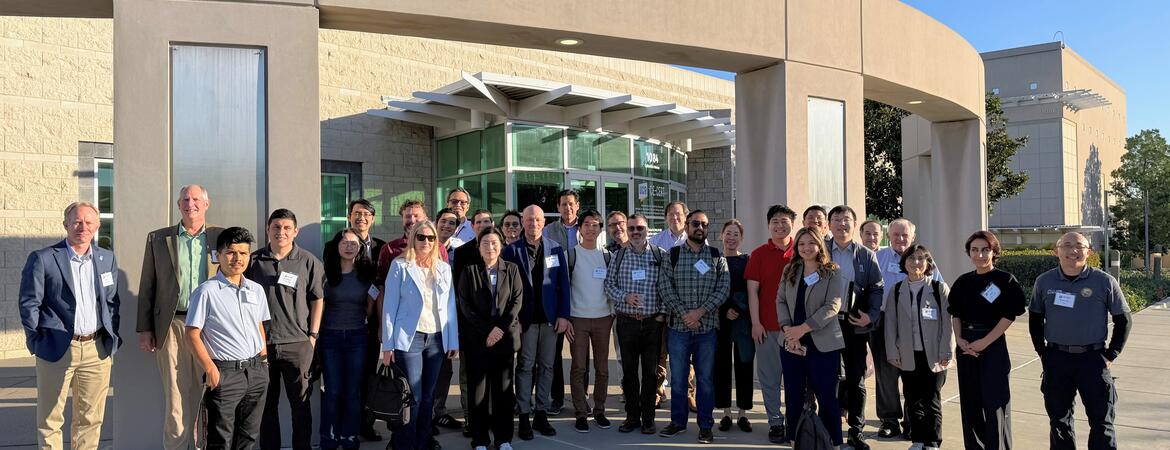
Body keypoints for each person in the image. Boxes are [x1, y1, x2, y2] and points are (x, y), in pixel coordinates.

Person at [20, 201, 123, 450]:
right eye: (76, 221)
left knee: (90, 419)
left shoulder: (106, 258)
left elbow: (111, 302)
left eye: (88, 222)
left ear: (97, 226)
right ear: (66, 224)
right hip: (56, 348)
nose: (82, 227)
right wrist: (36, 340)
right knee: (50, 418)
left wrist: (112, 337)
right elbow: (29, 303)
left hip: (96, 350)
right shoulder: (43, 259)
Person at [137, 184, 223, 449]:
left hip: (212, 326)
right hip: (173, 324)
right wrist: (145, 329)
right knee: (175, 396)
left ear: (206, 204)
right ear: (178, 205)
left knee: (211, 392)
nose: (191, 203)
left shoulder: (221, 237)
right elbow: (147, 285)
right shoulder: (158, 239)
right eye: (185, 199)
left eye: (196, 199)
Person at [1029, 232, 1131, 450]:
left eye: (1079, 246)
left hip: (1093, 360)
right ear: (1057, 251)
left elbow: (1123, 320)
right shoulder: (1044, 282)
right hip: (1057, 359)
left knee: (1102, 421)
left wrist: (1111, 354)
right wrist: (1043, 353)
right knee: (1059, 421)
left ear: (1088, 251)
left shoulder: (1104, 281)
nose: (1072, 251)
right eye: (1066, 245)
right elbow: (1035, 319)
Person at [247, 209, 326, 450]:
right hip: (262, 346)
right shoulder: (253, 260)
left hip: (298, 345)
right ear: (268, 229)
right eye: (276, 227)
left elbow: (318, 298)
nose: (281, 232)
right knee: (266, 407)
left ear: (295, 231)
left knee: (300, 406)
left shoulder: (308, 260)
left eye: (286, 228)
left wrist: (312, 336)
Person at [186, 227, 271, 450]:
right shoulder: (206, 291)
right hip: (225, 373)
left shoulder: (256, 289)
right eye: (231, 252)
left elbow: (259, 325)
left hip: (256, 372)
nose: (238, 259)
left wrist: (263, 361)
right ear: (219, 255)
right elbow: (192, 333)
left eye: (243, 253)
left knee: (249, 436)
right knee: (220, 439)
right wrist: (210, 369)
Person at [382, 221, 460, 450]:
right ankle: (404, 443)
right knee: (411, 397)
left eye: (431, 238)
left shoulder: (443, 268)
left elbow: (450, 306)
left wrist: (452, 340)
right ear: (413, 239)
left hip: (436, 339)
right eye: (422, 237)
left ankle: (424, 441)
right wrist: (387, 345)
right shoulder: (400, 266)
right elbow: (389, 306)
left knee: (428, 396)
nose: (426, 242)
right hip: (410, 339)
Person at [948, 230, 1026, 450]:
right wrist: (960, 339)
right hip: (966, 345)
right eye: (974, 250)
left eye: (985, 250)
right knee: (970, 404)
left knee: (995, 404)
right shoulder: (963, 282)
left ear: (994, 252)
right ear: (969, 253)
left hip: (992, 344)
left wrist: (985, 342)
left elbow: (1009, 315)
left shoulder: (1004, 280)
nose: (980, 255)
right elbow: (956, 314)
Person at [657, 210, 729, 445]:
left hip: (706, 329)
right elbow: (664, 287)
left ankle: (706, 425)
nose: (700, 227)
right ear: (687, 226)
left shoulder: (717, 256)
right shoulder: (673, 255)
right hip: (678, 328)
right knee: (678, 379)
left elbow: (723, 289)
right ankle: (678, 422)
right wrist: (684, 314)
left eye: (704, 224)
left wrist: (699, 312)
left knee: (705, 380)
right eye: (696, 223)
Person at [502, 205, 571, 440]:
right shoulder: (511, 251)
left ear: (544, 222)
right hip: (526, 321)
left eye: (538, 220)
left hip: (550, 320)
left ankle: (541, 413)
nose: (534, 224)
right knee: (525, 366)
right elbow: (507, 290)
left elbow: (563, 285)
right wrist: (513, 320)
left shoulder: (555, 249)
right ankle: (523, 414)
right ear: (523, 221)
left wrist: (564, 315)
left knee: (548, 366)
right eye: (529, 219)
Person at [873, 218, 943, 439]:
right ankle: (889, 420)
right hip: (886, 321)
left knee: (915, 373)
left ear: (913, 237)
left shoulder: (924, 260)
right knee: (887, 374)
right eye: (896, 235)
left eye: (905, 235)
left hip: (920, 325)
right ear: (889, 236)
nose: (901, 239)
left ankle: (913, 420)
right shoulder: (878, 258)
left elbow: (939, 291)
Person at [776, 226, 845, 448]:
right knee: (794, 396)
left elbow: (832, 305)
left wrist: (803, 329)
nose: (806, 248)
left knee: (826, 397)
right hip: (790, 342)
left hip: (822, 344)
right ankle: (796, 440)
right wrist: (788, 330)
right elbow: (780, 301)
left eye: (811, 243)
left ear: (819, 245)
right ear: (796, 247)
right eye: (802, 244)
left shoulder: (832, 271)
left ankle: (833, 442)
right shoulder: (790, 270)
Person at [457, 227, 522, 450]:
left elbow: (516, 302)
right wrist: (487, 330)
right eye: (485, 243)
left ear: (501, 245)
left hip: (504, 340)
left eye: (494, 243)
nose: (490, 247)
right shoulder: (469, 270)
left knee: (503, 392)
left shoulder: (511, 269)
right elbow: (465, 305)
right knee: (479, 393)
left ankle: (503, 438)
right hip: (478, 341)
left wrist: (499, 330)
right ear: (478, 246)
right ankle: (480, 439)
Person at [883, 244, 953, 450]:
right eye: (911, 259)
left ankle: (932, 441)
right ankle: (918, 439)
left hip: (934, 354)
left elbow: (948, 324)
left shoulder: (939, 288)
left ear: (928, 263)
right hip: (907, 354)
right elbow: (890, 325)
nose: (916, 263)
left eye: (921, 258)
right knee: (913, 400)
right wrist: (892, 352)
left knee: (932, 399)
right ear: (904, 263)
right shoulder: (896, 290)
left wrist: (946, 350)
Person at [369, 199, 427, 441]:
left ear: (425, 218)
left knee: (427, 392)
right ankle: (400, 440)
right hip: (404, 333)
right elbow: (383, 292)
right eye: (407, 216)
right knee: (405, 390)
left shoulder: (437, 249)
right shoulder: (390, 250)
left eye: (416, 216)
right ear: (402, 219)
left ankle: (423, 438)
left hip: (431, 333)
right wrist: (384, 329)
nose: (411, 220)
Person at [605, 214, 668, 435]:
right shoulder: (618, 256)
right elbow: (609, 285)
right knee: (629, 373)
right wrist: (624, 297)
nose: (635, 232)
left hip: (652, 323)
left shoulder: (660, 255)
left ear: (647, 229)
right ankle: (632, 417)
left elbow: (667, 288)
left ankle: (648, 418)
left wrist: (661, 314)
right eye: (631, 229)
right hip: (627, 322)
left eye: (639, 228)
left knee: (651, 374)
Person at [826, 205, 882, 450]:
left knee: (856, 379)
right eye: (836, 220)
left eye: (846, 220)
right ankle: (829, 428)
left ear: (854, 224)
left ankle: (856, 431)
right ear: (829, 225)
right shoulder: (821, 251)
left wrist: (869, 316)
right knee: (827, 377)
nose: (841, 225)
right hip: (825, 324)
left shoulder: (866, 255)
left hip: (854, 324)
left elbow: (877, 288)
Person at [434, 209, 494, 436]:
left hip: (496, 326)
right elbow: (460, 293)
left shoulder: (500, 247)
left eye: (487, 221)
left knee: (492, 373)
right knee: (469, 375)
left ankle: (490, 415)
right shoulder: (461, 252)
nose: (483, 224)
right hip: (470, 324)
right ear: (472, 225)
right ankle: (471, 418)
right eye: (478, 222)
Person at [319, 228, 377, 450]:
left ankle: (349, 437)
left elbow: (371, 308)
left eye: (354, 243)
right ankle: (329, 439)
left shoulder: (366, 273)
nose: (349, 246)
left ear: (360, 248)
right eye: (345, 242)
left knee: (353, 392)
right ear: (336, 246)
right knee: (333, 391)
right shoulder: (326, 274)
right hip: (330, 338)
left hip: (357, 338)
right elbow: (319, 308)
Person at [745, 204, 797, 443]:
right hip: (767, 326)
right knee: (769, 378)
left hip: (797, 329)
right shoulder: (758, 254)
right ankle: (775, 421)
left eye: (784, 221)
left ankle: (797, 420)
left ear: (792, 224)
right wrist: (756, 323)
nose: (779, 225)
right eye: (775, 221)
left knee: (797, 378)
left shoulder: (804, 250)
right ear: (768, 225)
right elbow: (752, 292)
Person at [567, 209, 614, 432]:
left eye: (595, 225)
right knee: (578, 367)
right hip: (578, 319)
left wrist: (612, 313)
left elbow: (612, 287)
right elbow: (564, 288)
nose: (591, 228)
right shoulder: (571, 255)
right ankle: (580, 412)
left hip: (603, 318)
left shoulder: (607, 256)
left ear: (601, 229)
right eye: (587, 224)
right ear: (580, 228)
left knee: (602, 369)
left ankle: (599, 410)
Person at [542, 189, 582, 415]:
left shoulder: (587, 227)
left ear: (577, 206)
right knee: (554, 353)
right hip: (557, 297)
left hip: (583, 295)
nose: (568, 208)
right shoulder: (548, 231)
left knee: (580, 351)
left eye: (571, 204)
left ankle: (581, 395)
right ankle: (556, 397)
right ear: (557, 207)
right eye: (563, 204)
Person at [714, 219, 754, 433]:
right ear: (721, 235)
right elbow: (709, 290)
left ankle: (743, 413)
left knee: (744, 365)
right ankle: (726, 412)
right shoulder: (713, 260)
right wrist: (724, 309)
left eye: (735, 234)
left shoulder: (748, 261)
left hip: (743, 321)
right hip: (720, 321)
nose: (731, 238)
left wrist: (739, 309)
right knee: (721, 366)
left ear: (741, 238)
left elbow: (753, 290)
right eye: (728, 233)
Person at [324, 199, 386, 267]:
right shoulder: (332, 246)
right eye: (357, 213)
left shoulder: (382, 247)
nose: (361, 218)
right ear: (349, 217)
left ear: (372, 219)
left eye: (366, 214)